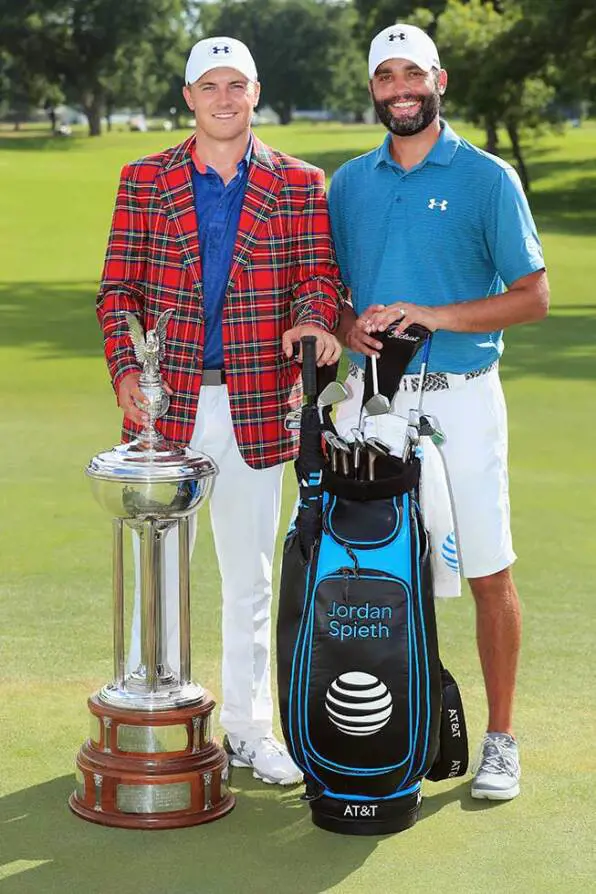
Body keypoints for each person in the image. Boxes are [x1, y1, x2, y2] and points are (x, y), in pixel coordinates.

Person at [97, 36, 343, 786]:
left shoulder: (299, 183)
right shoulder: (143, 178)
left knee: (249, 575)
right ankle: (147, 715)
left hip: (258, 405)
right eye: (211, 85)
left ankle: (247, 728)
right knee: (159, 570)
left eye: (237, 84)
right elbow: (117, 293)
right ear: (189, 98)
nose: (225, 97)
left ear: (256, 91)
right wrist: (121, 368)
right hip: (163, 411)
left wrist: (315, 316)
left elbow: (319, 279)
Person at [328, 24, 549, 801]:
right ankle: (383, 727)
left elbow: (533, 296)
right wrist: (348, 320)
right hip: (372, 401)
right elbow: (339, 291)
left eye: (412, 74)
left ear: (440, 80)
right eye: (385, 76)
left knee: (488, 571)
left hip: (462, 399)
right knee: (373, 572)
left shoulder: (488, 178)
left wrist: (434, 314)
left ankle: (500, 739)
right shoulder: (349, 183)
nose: (399, 88)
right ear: (374, 89)